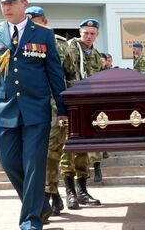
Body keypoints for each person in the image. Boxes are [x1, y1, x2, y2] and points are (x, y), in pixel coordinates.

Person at [0, 0, 67, 230]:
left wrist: (62, 109)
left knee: (34, 165)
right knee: (8, 162)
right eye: (3, 2)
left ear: (24, 2)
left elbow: (55, 75)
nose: (6, 7)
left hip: (36, 111)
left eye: (12, 2)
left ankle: (30, 221)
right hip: (5, 111)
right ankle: (40, 205)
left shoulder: (44, 35)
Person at [24, 6, 68, 217]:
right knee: (37, 155)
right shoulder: (20, 40)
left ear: (45, 21)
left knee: (52, 153)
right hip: (34, 107)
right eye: (30, 21)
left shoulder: (59, 44)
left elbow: (68, 74)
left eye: (37, 20)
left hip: (55, 107)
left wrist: (66, 107)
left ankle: (49, 195)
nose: (34, 24)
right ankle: (47, 196)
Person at [60, 19, 103, 209]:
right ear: (80, 32)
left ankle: (82, 191)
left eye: (92, 33)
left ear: (97, 34)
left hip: (87, 104)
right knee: (67, 147)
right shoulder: (70, 47)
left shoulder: (96, 55)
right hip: (70, 102)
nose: (88, 36)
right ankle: (70, 193)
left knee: (83, 147)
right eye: (85, 33)